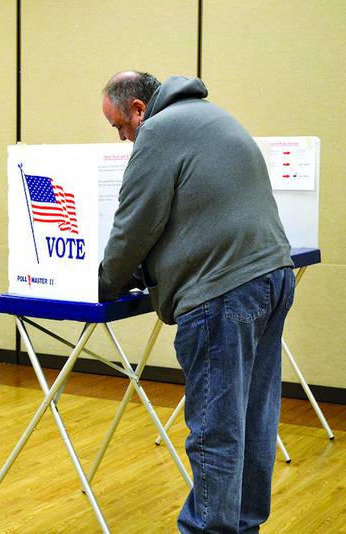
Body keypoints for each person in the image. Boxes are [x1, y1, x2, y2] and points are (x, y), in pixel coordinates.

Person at [98, 71, 295, 533]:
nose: (124, 138)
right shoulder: (212, 117)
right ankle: (244, 526)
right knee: (253, 421)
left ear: (138, 110)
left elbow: (133, 226)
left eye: (119, 127)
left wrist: (106, 283)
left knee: (215, 430)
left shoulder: (159, 133)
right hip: (272, 277)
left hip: (223, 291)